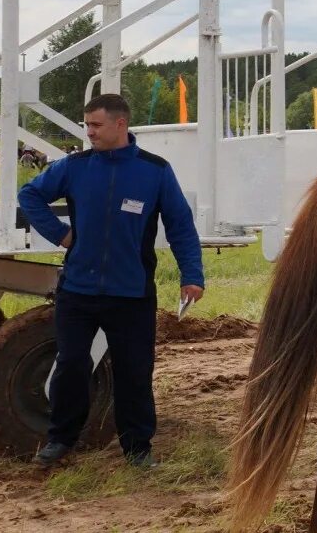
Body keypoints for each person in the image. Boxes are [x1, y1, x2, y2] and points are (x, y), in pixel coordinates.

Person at [18, 93, 205, 469]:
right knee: (71, 365)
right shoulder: (75, 167)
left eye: (96, 125)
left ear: (121, 124)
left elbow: (180, 225)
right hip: (77, 291)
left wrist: (192, 275)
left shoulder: (154, 171)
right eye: (86, 125)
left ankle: (137, 448)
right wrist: (60, 234)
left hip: (131, 293)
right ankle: (60, 440)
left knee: (133, 372)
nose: (89, 132)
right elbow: (30, 195)